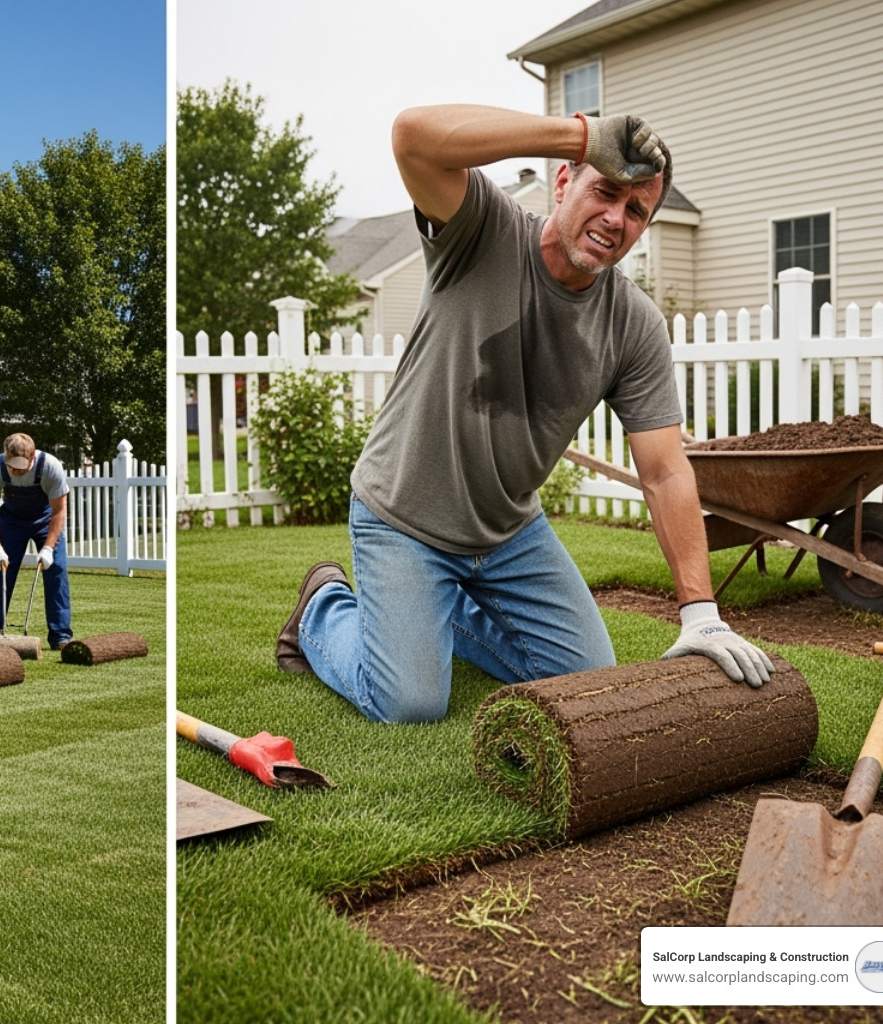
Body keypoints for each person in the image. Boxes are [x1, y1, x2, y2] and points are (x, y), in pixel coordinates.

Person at [276, 105, 775, 724]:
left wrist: (701, 613)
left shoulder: (634, 323)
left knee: (591, 688)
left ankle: (442, 609)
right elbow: (413, 138)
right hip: (403, 518)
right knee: (409, 703)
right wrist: (585, 135)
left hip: (509, 535)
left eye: (636, 210)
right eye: (605, 191)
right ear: (565, 182)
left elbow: (667, 471)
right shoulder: (482, 230)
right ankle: (323, 605)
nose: (615, 218)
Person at [0, 433, 72, 649]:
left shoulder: (50, 466)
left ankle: (60, 636)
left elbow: (59, 511)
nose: (16, 472)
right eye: (12, 467)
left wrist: (48, 548)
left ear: (32, 457)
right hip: (11, 520)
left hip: (46, 519)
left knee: (56, 571)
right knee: (1, 572)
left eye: (21, 467)